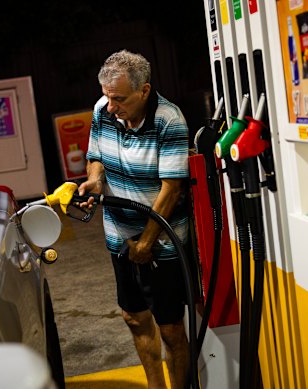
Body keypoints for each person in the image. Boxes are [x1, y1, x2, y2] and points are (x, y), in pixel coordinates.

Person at [78, 50, 190, 389]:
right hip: (119, 236)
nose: (111, 106)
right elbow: (95, 157)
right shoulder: (103, 109)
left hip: (163, 241)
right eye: (108, 97)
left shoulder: (169, 120)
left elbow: (171, 189)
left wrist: (146, 242)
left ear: (144, 91)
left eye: (120, 99)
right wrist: (94, 182)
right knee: (134, 317)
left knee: (170, 327)